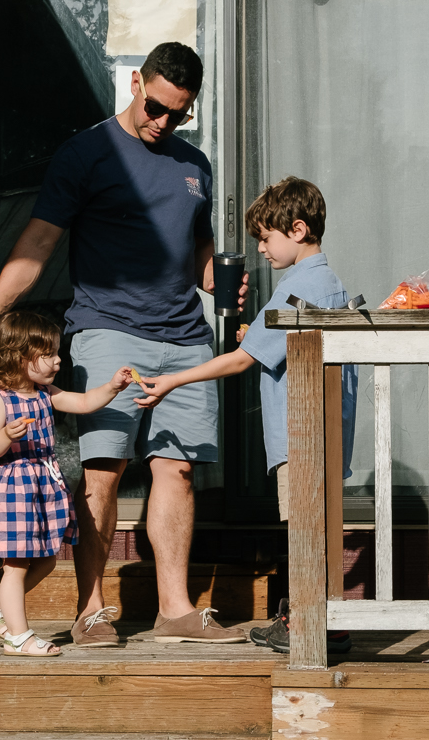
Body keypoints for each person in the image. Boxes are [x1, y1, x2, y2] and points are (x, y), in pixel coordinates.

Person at [0, 40, 248, 647]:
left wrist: (215, 279)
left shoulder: (194, 164)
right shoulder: (87, 153)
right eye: (156, 107)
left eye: (179, 114)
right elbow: (41, 240)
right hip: (106, 330)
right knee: (102, 470)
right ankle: (91, 609)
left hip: (184, 336)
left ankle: (175, 609)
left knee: (176, 472)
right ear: (135, 83)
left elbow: (198, 251)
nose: (163, 122)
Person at [135, 176, 357, 654]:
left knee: (304, 530)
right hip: (322, 432)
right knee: (316, 528)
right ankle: (324, 620)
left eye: (265, 236)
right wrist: (250, 341)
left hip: (303, 433)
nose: (260, 248)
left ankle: (307, 624)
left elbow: (243, 360)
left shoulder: (304, 286)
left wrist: (173, 379)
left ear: (297, 230)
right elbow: (265, 344)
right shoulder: (324, 282)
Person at [0, 311, 134, 656]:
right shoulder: (0, 400)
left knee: (46, 560)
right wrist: (5, 436)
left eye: (57, 352)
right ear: (19, 356)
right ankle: (19, 636)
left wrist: (113, 387)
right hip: (12, 489)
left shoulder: (44, 393)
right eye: (48, 354)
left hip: (40, 487)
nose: (58, 361)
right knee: (15, 566)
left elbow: (84, 403)